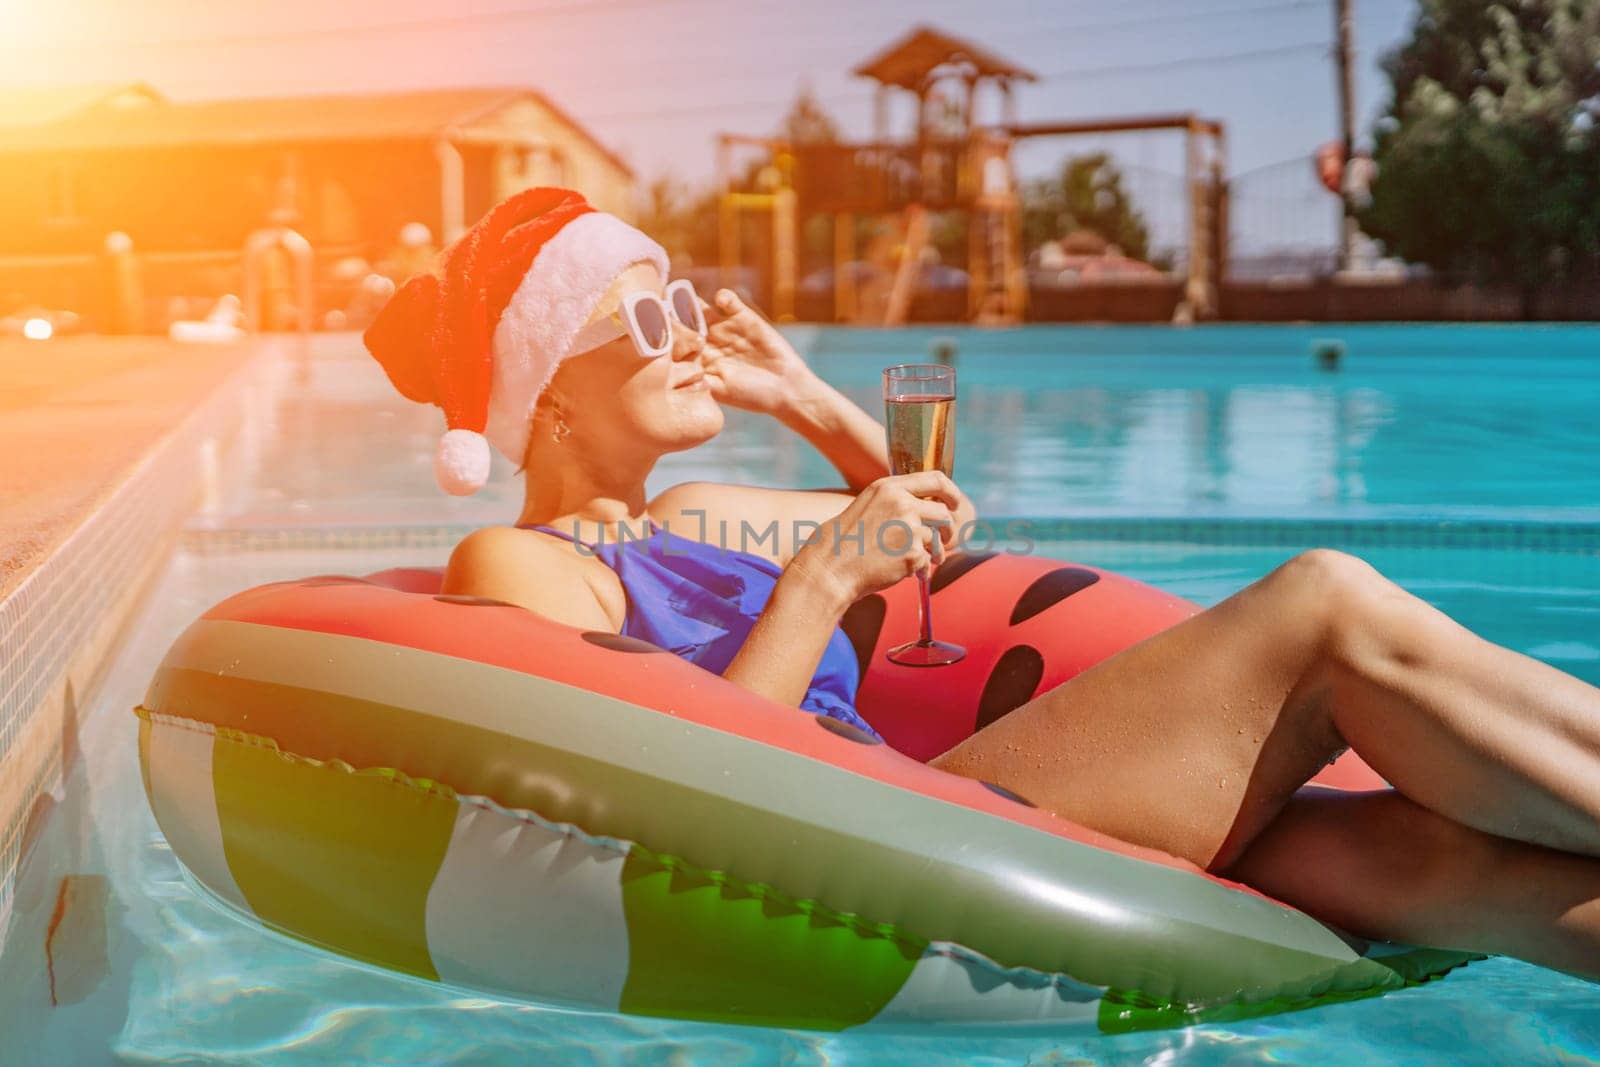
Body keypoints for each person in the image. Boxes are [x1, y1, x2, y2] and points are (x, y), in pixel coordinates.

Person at [363, 188, 1600, 981]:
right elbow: (639, 786)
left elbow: (926, 526)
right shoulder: (519, 563)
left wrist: (802, 397)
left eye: (683, 304)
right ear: (549, 393)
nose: (688, 334)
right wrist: (814, 586)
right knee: (1323, 602)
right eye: (645, 322)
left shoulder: (691, 519)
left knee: (1420, 856)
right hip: (875, 842)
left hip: (907, 803)